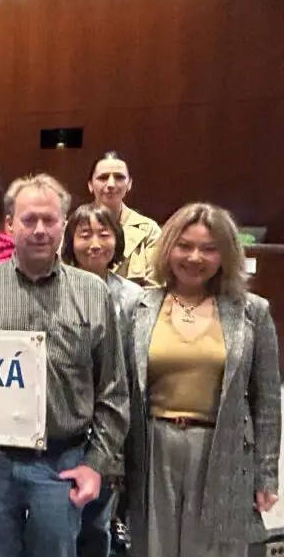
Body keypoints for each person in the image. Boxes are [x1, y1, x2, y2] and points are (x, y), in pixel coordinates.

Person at [0, 173, 129, 557]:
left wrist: (95, 464)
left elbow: (113, 390)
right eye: (28, 220)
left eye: (50, 220)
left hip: (63, 462)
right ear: (9, 223)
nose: (40, 230)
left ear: (63, 224)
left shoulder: (93, 292)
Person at [123, 202, 280, 557]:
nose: (195, 257)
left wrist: (266, 475)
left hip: (222, 447)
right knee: (152, 548)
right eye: (185, 245)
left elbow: (267, 401)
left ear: (225, 255)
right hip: (153, 446)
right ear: (168, 248)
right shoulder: (139, 308)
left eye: (209, 249)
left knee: (214, 549)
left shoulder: (252, 311)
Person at [61, 202, 143, 557]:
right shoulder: (58, 287)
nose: (95, 243)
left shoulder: (135, 298)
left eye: (104, 234)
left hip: (114, 417)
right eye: (84, 234)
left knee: (99, 524)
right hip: (69, 416)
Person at [87, 151, 161, 286]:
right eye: (103, 177)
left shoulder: (148, 230)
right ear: (90, 185)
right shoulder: (73, 227)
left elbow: (154, 288)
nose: (111, 184)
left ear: (130, 184)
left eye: (119, 177)